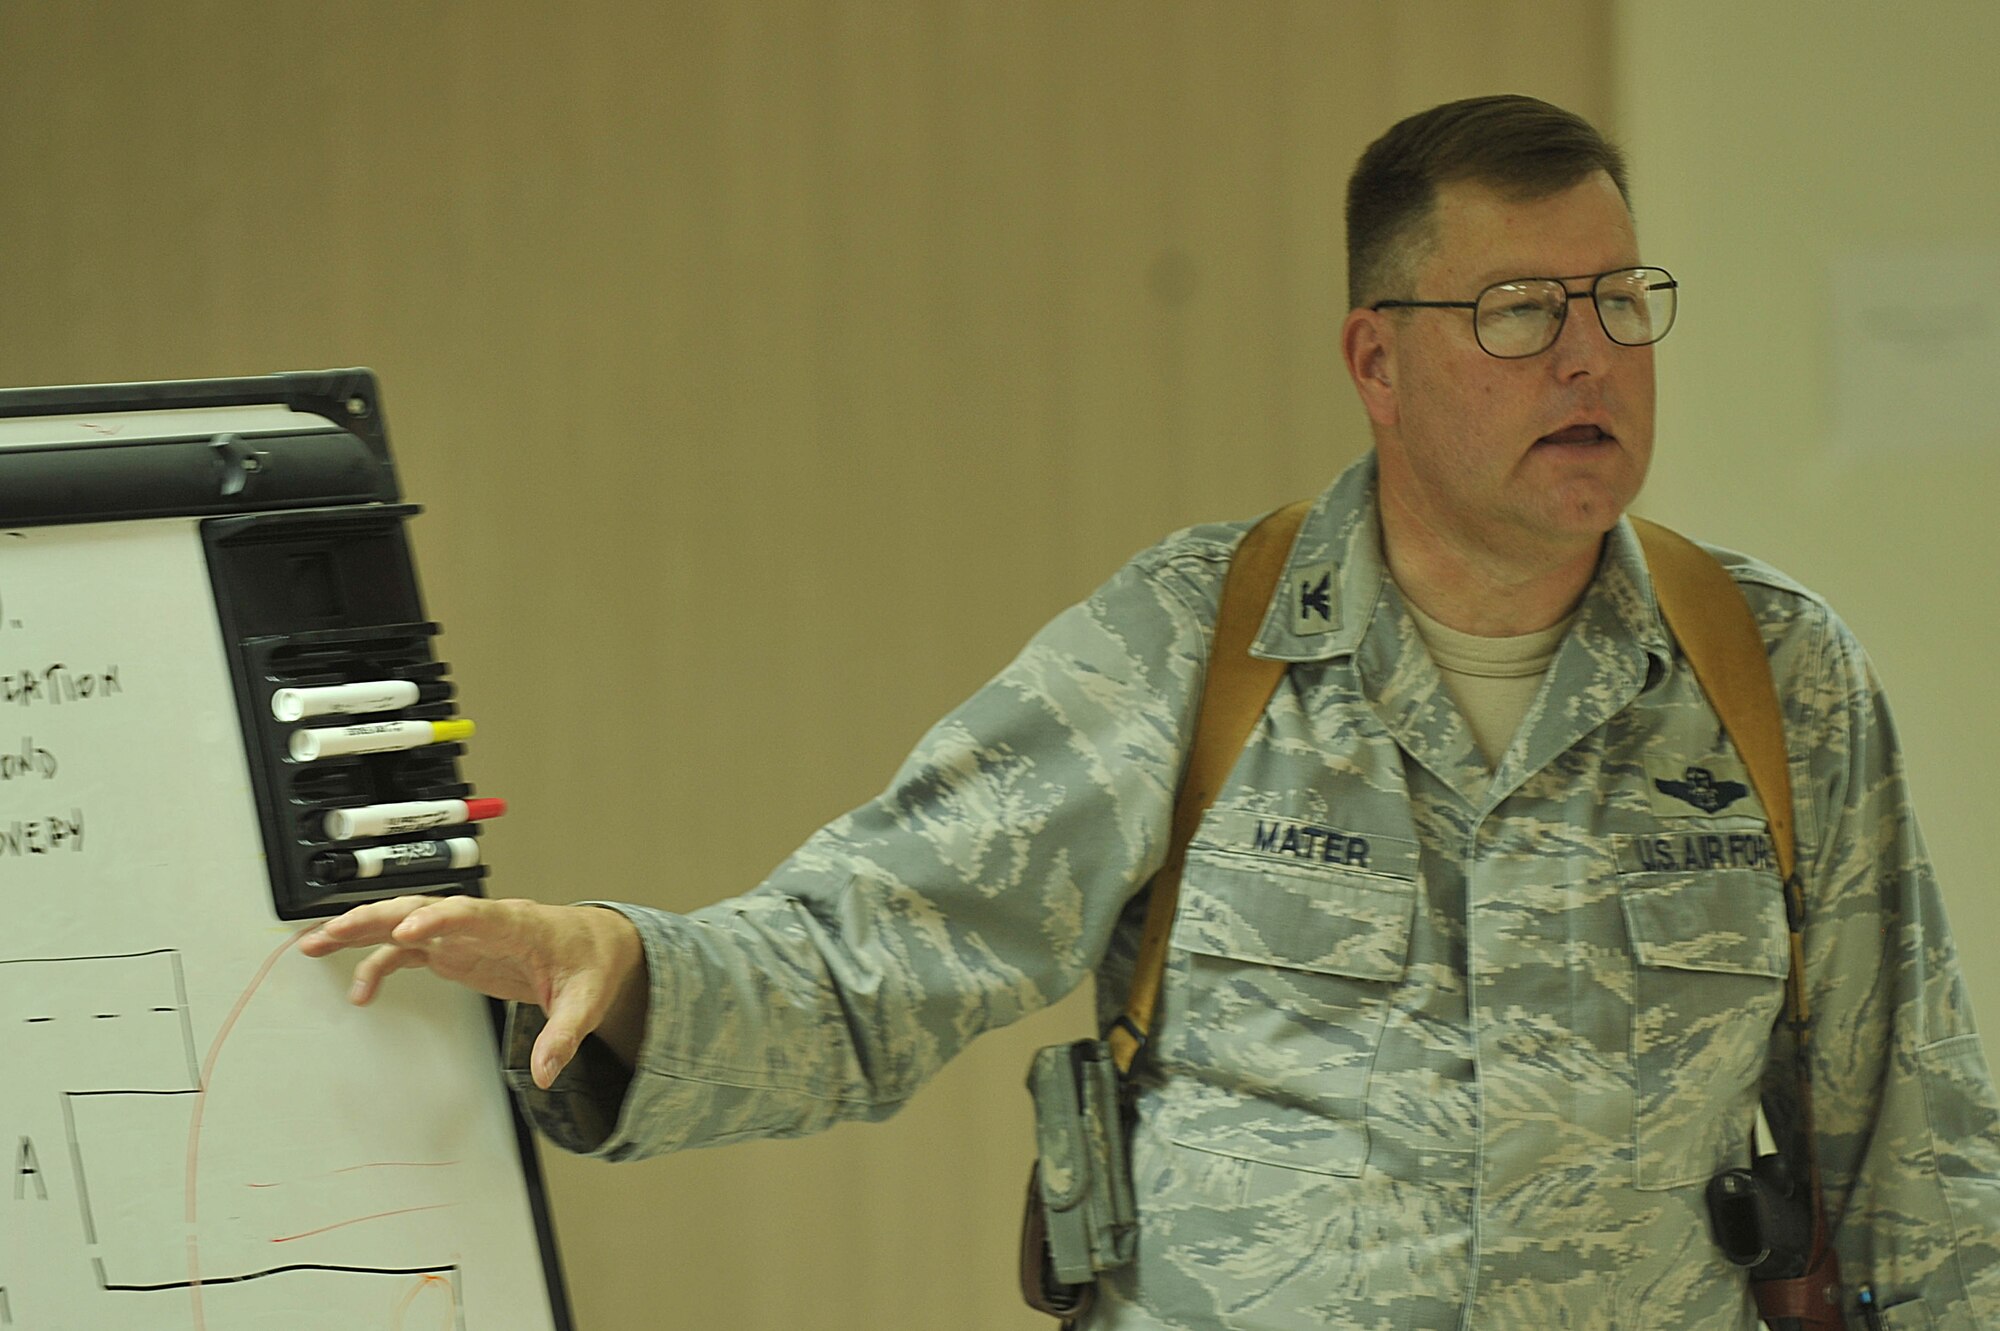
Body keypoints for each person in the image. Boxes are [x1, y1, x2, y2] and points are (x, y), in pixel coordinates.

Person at [302, 95, 2000, 1327]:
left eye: (1621, 301)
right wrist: (627, 967)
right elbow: (875, 948)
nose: (1590, 357)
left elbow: (1911, 1139)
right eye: (1517, 311)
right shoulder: (1200, 643)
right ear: (1376, 359)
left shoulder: (1772, 677)